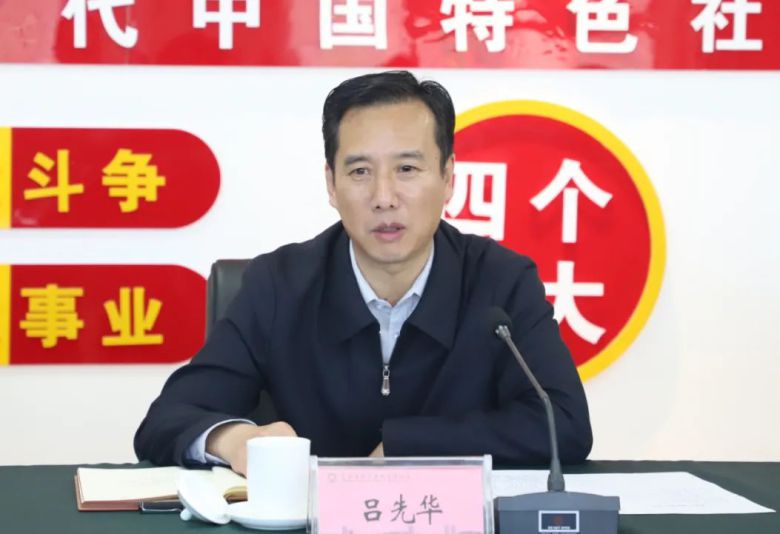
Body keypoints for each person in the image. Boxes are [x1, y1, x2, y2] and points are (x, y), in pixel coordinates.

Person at [134, 71, 592, 475]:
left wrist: (408, 446)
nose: (384, 197)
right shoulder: (278, 284)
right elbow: (167, 419)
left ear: (448, 177)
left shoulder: (501, 282)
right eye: (359, 172)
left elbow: (564, 424)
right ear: (331, 184)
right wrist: (234, 440)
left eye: (407, 168)